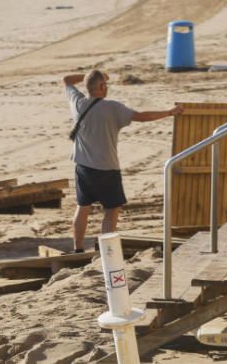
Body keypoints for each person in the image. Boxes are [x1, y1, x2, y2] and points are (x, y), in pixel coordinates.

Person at [62, 70, 182, 252]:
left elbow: (66, 80)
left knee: (83, 207)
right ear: (102, 87)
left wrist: (88, 76)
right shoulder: (113, 108)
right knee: (111, 210)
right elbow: (142, 116)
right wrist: (169, 112)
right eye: (105, 84)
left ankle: (78, 248)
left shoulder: (78, 103)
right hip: (107, 169)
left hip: (83, 167)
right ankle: (107, 252)